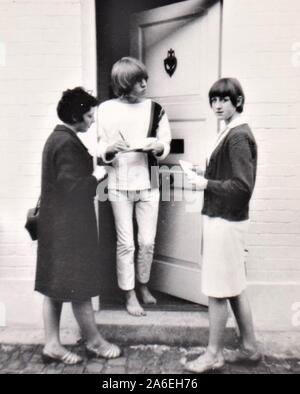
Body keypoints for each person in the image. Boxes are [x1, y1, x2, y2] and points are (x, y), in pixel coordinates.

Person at [35, 87, 121, 365]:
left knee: (54, 287)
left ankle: (52, 345)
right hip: (69, 230)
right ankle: (95, 342)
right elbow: (74, 189)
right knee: (80, 288)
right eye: (89, 115)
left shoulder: (57, 138)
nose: (92, 120)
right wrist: (97, 176)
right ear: (76, 116)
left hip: (55, 227)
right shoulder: (67, 143)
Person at [184, 78, 261, 373]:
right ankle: (250, 347)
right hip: (226, 220)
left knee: (218, 290)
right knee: (234, 286)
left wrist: (205, 183)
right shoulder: (230, 131)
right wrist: (202, 176)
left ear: (237, 101)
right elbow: (228, 177)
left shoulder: (238, 136)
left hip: (226, 222)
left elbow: (242, 187)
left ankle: (213, 354)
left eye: (224, 100)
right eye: (213, 100)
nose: (217, 105)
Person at [97, 57, 172, 316]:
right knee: (126, 243)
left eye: (145, 78)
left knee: (147, 241)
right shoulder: (105, 109)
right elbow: (96, 144)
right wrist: (108, 149)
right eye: (139, 80)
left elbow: (166, 143)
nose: (144, 83)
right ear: (125, 83)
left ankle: (143, 285)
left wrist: (158, 146)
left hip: (149, 181)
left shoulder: (155, 108)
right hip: (118, 182)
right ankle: (129, 294)